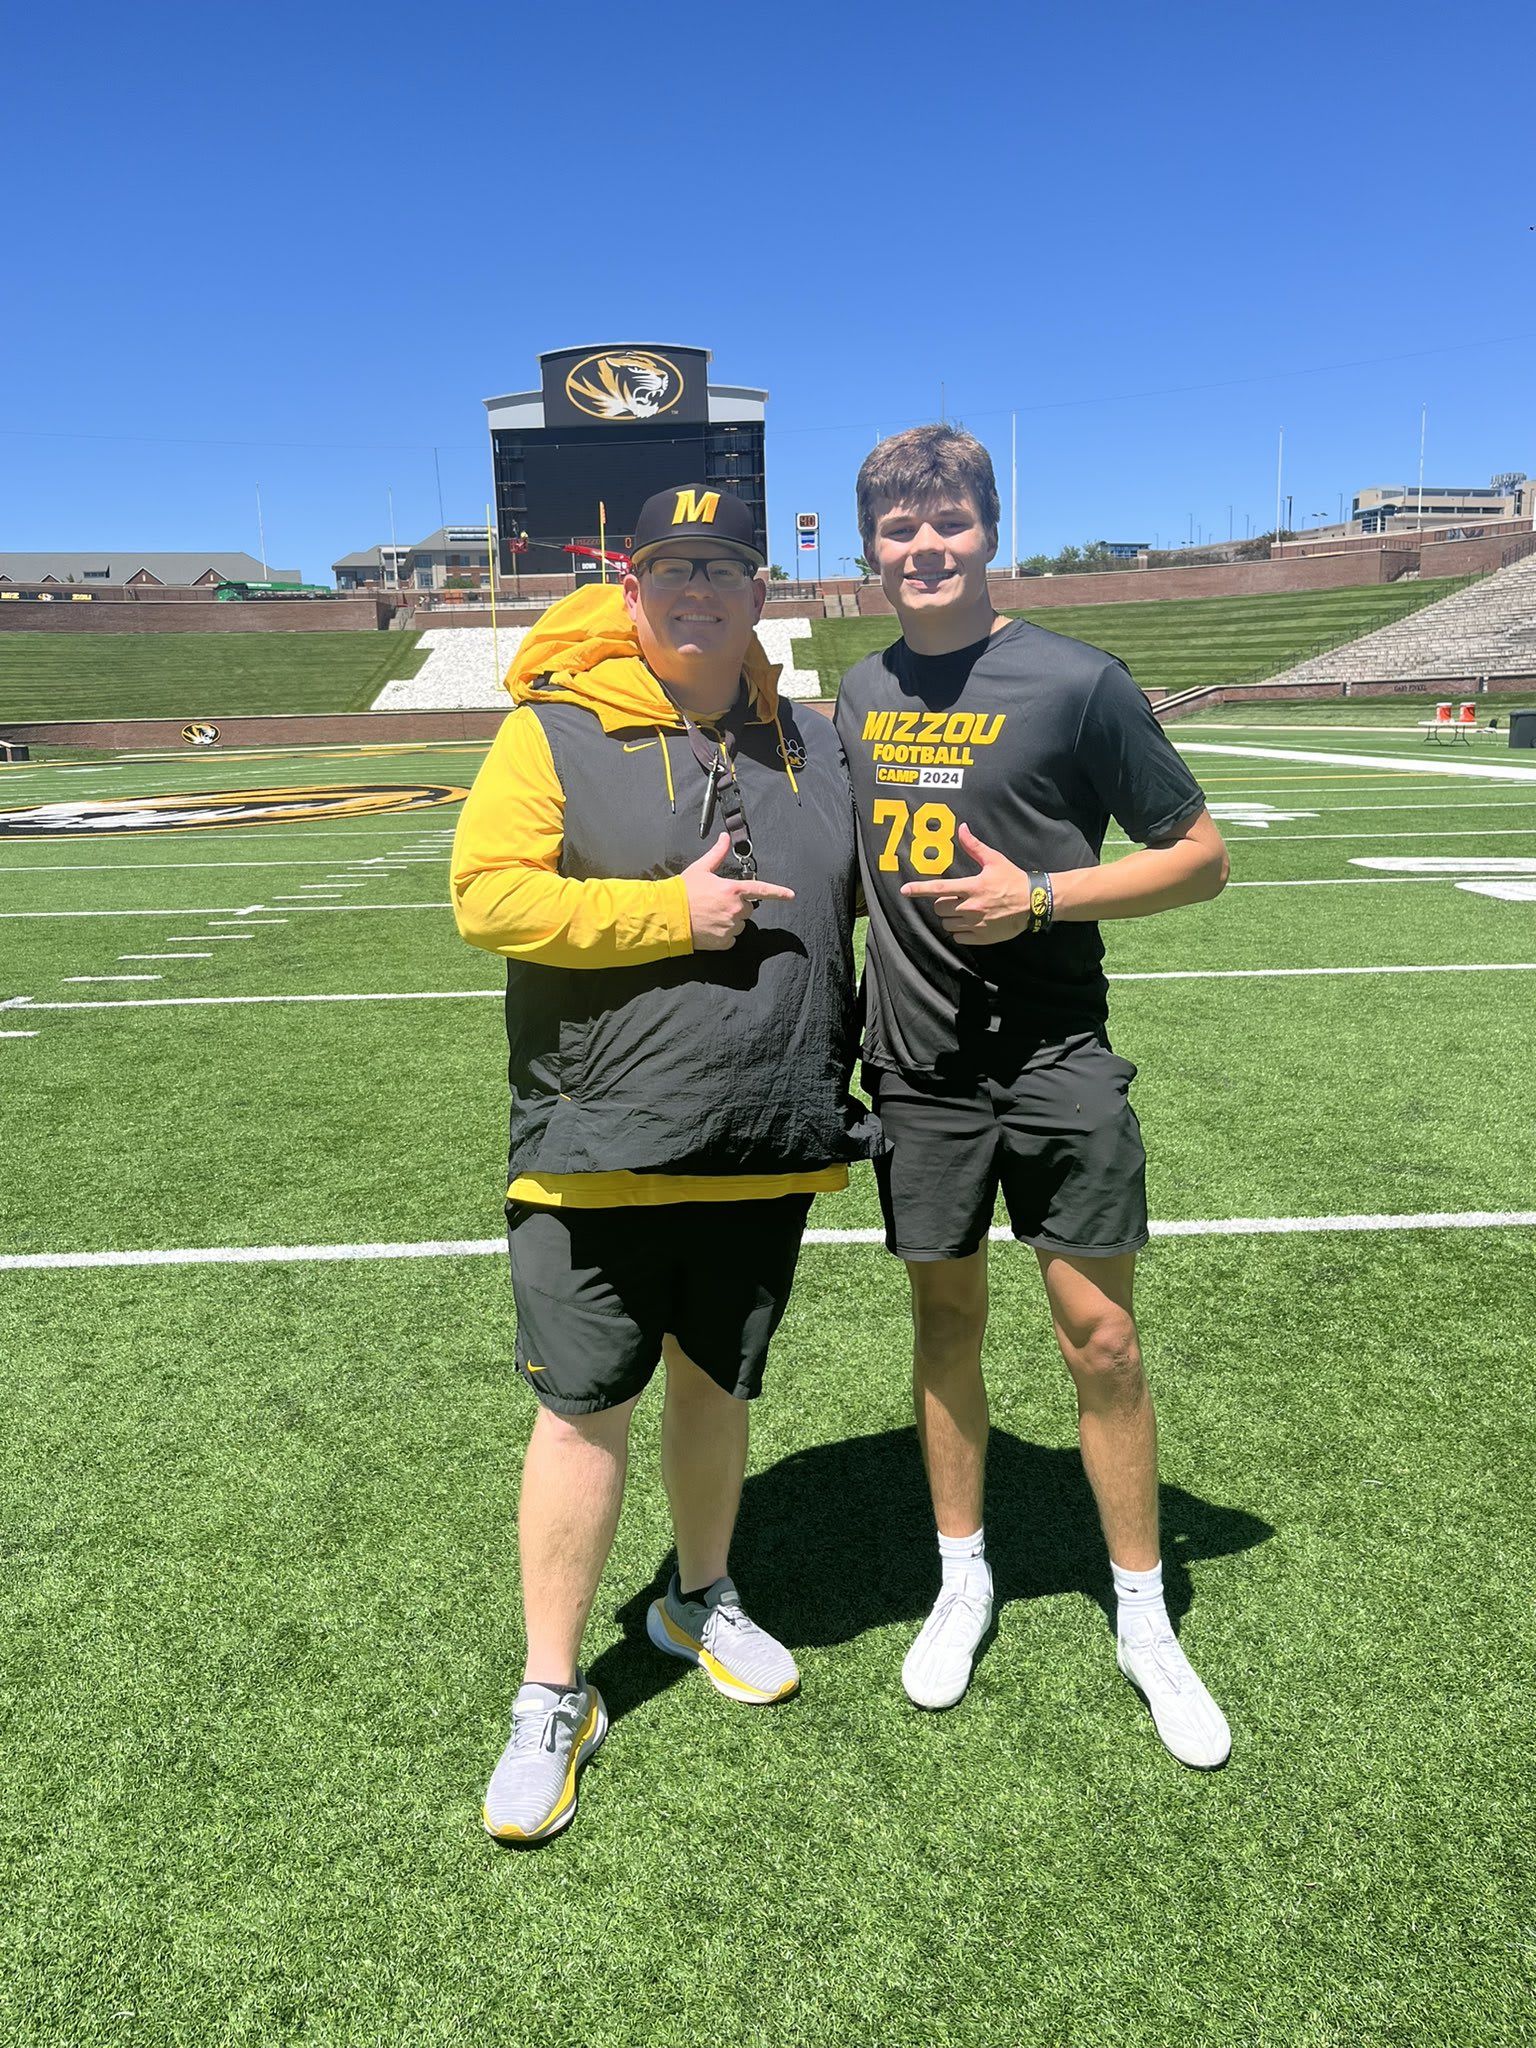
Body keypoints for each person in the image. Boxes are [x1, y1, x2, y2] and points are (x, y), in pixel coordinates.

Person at [452, 485, 877, 1841]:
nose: (700, 587)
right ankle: (550, 1688)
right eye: (673, 566)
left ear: (762, 593)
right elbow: (487, 894)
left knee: (716, 1386)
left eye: (726, 566)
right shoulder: (552, 730)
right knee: (584, 1410)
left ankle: (701, 1593)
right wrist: (666, 914)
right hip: (600, 1145)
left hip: (763, 1145)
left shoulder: (816, 741)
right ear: (629, 591)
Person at [834, 425, 1233, 1767]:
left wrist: (1043, 895)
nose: (923, 550)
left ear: (989, 529)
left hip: (1057, 1062)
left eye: (946, 524)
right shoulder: (856, 691)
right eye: (899, 531)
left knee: (1099, 1341)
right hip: (924, 1074)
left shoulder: (1077, 682)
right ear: (871, 548)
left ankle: (1143, 1612)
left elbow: (1202, 855)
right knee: (946, 1325)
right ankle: (964, 1578)